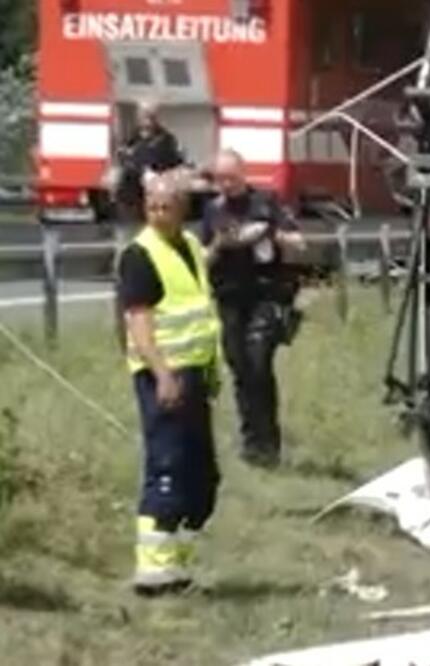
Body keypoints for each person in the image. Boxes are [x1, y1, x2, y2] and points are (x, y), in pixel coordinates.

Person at [118, 174, 221, 596]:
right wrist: (162, 373)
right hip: (163, 375)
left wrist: (210, 372)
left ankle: (179, 566)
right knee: (168, 467)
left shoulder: (192, 247)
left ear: (182, 207)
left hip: (194, 372)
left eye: (166, 205)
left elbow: (198, 312)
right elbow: (140, 323)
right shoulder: (140, 254)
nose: (159, 213)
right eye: (153, 205)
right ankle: (152, 571)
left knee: (202, 477)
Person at [202, 149, 305, 468]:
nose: (227, 184)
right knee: (240, 367)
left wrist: (272, 234)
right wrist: (221, 244)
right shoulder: (213, 210)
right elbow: (202, 258)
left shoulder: (266, 202)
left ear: (243, 174)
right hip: (230, 296)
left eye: (231, 177)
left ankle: (268, 443)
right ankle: (252, 443)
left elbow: (299, 241)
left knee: (259, 362)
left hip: (265, 294)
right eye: (221, 179)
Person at [114, 100, 186, 222]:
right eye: (143, 114)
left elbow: (176, 167)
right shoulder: (131, 138)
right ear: (138, 116)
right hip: (129, 198)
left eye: (151, 114)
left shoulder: (167, 140)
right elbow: (123, 159)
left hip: (155, 199)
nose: (147, 118)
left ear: (157, 116)